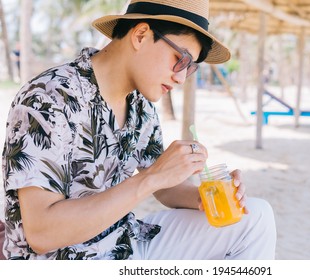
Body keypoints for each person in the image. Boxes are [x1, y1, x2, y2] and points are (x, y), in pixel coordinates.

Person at [1, 0, 276, 260]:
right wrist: (152, 178)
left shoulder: (140, 104)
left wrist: (209, 196)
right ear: (141, 35)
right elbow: (41, 233)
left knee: (257, 217)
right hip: (58, 259)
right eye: (180, 59)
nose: (181, 77)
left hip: (123, 243)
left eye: (190, 68)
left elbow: (164, 187)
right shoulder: (50, 97)